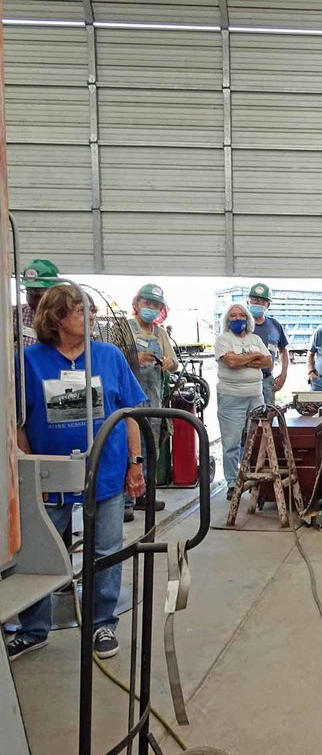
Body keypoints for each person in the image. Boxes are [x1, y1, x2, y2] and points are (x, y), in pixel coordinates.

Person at [6, 285, 147, 661]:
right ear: (57, 318)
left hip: (104, 471)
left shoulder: (109, 356)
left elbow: (130, 413)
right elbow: (18, 420)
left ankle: (102, 623)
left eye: (92, 310)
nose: (92, 317)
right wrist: (31, 465)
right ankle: (33, 629)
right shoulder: (29, 361)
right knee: (38, 551)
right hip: (49, 477)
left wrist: (135, 463)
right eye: (82, 311)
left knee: (106, 549)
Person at [125, 283, 178, 521]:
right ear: (137, 304)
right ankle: (126, 499)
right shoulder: (125, 329)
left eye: (155, 305)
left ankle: (145, 493)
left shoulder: (160, 333)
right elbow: (111, 358)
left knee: (151, 447)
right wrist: (134, 358)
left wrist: (168, 363)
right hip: (128, 399)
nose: (151, 309)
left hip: (154, 398)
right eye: (147, 304)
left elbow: (174, 363)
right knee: (129, 449)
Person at [215, 302, 271, 502]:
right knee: (231, 442)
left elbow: (268, 361)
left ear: (247, 319)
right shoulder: (223, 340)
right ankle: (232, 483)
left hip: (256, 395)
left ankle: (255, 479)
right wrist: (254, 356)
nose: (237, 319)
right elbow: (230, 362)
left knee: (256, 440)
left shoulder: (255, 338)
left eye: (241, 316)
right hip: (231, 397)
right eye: (233, 316)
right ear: (227, 320)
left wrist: (243, 359)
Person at [246, 282, 289, 406]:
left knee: (267, 417)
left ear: (268, 305)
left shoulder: (274, 325)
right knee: (247, 419)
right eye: (254, 299)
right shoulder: (241, 325)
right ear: (248, 301)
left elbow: (283, 350)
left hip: (266, 380)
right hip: (245, 380)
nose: (256, 303)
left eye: (261, 301)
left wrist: (283, 373)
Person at [16, 258, 60, 347]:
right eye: (28, 291)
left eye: (37, 292)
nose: (31, 297)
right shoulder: (16, 314)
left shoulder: (64, 316)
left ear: (53, 291)